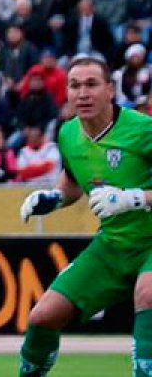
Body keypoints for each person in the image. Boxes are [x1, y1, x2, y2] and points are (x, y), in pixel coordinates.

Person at [18, 56, 152, 377]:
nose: (83, 93)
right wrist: (53, 198)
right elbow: (73, 182)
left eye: (91, 84)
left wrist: (134, 198)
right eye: (75, 85)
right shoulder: (68, 134)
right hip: (112, 246)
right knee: (42, 317)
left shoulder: (143, 130)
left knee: (147, 294)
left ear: (110, 90)